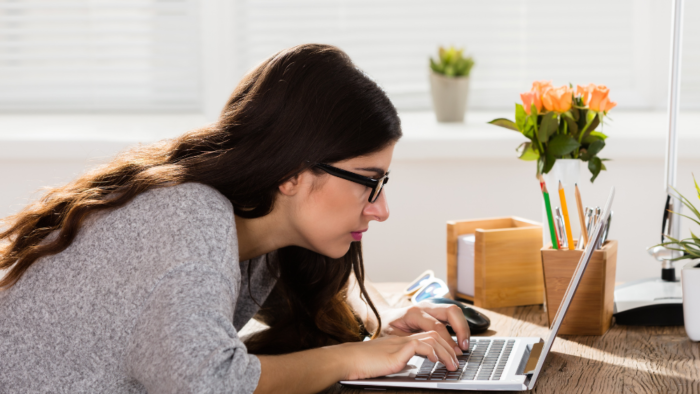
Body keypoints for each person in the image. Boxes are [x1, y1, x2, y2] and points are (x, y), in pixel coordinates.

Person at [0, 44, 470, 394]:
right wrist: (350, 357)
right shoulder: (189, 214)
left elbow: (235, 342)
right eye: (369, 181)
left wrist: (382, 335)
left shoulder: (257, 239)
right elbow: (209, 382)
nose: (381, 208)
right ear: (292, 173)